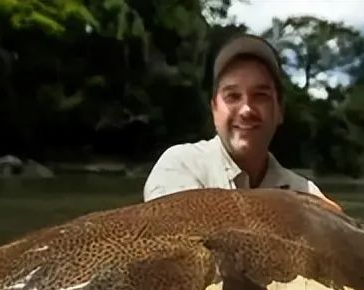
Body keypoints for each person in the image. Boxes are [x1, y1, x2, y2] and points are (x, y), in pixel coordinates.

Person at [143, 34, 339, 209]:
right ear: (214, 110)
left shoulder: (308, 195)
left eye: (260, 96)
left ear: (280, 111)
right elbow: (176, 239)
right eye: (233, 96)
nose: (246, 110)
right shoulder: (180, 165)